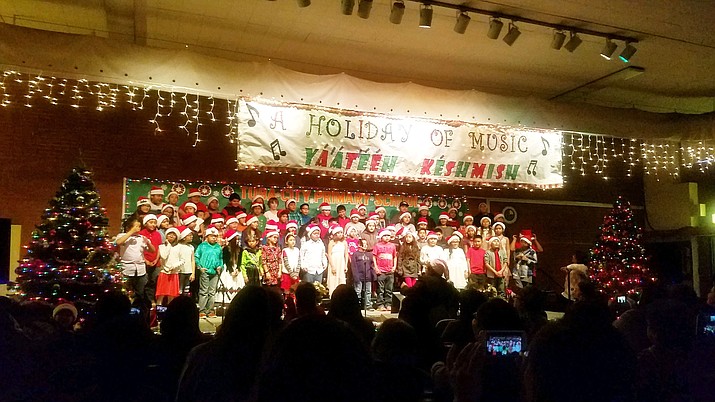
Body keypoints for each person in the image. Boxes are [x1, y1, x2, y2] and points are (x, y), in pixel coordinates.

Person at [116, 216, 155, 305]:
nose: (138, 228)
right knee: (126, 291)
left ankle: (138, 307)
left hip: (140, 269)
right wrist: (131, 232)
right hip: (127, 268)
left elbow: (152, 250)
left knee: (140, 291)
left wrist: (148, 243)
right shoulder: (123, 236)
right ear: (129, 227)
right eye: (136, 226)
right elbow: (118, 242)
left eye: (139, 226)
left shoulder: (141, 238)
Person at [195, 226, 223, 317]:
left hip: (214, 272)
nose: (214, 238)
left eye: (215, 236)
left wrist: (220, 266)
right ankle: (202, 310)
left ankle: (210, 310)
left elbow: (220, 259)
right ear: (207, 237)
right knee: (204, 291)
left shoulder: (218, 247)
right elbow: (196, 257)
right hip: (205, 271)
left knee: (212, 292)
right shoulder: (202, 246)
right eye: (211, 236)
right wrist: (200, 267)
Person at [156, 227, 182, 306]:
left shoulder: (180, 247)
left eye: (174, 235)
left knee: (172, 295)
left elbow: (182, 260)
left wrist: (174, 266)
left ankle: (170, 310)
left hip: (173, 273)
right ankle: (158, 310)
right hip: (164, 272)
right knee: (161, 294)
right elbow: (164, 256)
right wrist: (168, 245)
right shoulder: (162, 246)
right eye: (169, 234)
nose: (171, 236)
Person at [373, 228, 397, 311]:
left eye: (388, 236)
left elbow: (395, 257)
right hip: (381, 271)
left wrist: (394, 267)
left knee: (389, 289)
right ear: (381, 236)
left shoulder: (392, 246)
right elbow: (374, 257)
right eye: (385, 235)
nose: (387, 237)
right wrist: (376, 268)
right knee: (380, 289)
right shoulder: (377, 245)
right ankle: (380, 304)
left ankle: (388, 304)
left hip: (390, 271)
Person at [351, 239, 377, 310]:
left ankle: (368, 305)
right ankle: (357, 305)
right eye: (363, 243)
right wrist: (356, 277)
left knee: (368, 291)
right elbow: (354, 266)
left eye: (366, 243)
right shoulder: (355, 254)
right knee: (358, 291)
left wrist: (373, 275)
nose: (365, 245)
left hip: (368, 276)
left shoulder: (369, 255)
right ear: (359, 245)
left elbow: (371, 266)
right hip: (359, 276)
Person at [219, 229, 244, 303]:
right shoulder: (226, 249)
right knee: (229, 284)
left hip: (237, 269)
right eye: (236, 239)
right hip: (228, 269)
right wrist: (231, 271)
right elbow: (226, 261)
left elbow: (240, 261)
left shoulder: (240, 249)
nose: (237, 241)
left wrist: (238, 269)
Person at [327, 225, 348, 296]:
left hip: (341, 262)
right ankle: (333, 295)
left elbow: (346, 254)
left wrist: (346, 265)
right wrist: (332, 266)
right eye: (338, 233)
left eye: (341, 232)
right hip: (334, 262)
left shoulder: (344, 243)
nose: (340, 234)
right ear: (335, 234)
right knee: (334, 278)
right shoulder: (331, 242)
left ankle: (342, 295)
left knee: (341, 278)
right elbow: (329, 254)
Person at [175, 226, 196, 296]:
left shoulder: (191, 247)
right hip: (180, 272)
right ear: (183, 237)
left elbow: (192, 260)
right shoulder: (178, 246)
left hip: (188, 271)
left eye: (191, 235)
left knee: (186, 290)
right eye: (189, 235)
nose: (191, 237)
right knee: (179, 290)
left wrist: (193, 273)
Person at [281, 233, 301, 297]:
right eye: (290, 240)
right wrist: (291, 273)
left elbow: (299, 261)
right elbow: (286, 263)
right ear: (286, 242)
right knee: (287, 291)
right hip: (287, 274)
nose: (293, 241)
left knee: (295, 291)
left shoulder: (297, 250)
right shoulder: (285, 250)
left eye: (293, 240)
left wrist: (296, 273)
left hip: (295, 274)